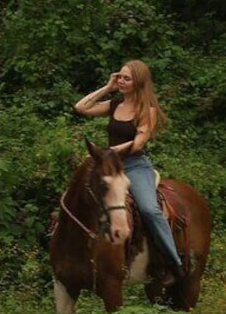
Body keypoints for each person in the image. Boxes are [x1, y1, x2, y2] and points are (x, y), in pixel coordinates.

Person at [74, 59, 184, 283]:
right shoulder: (114, 104)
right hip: (109, 165)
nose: (122, 81)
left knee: (149, 209)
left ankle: (173, 262)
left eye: (127, 78)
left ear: (138, 82)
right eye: (120, 77)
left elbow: (138, 143)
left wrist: (111, 151)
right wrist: (107, 87)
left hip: (134, 166)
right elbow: (81, 107)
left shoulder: (147, 110)